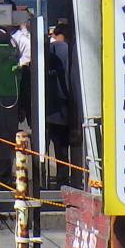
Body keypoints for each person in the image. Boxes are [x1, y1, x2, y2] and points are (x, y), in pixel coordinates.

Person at [44, 23, 81, 180]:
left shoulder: (51, 50)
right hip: (69, 104)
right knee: (68, 141)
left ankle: (61, 173)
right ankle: (74, 174)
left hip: (52, 105)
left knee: (57, 143)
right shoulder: (70, 50)